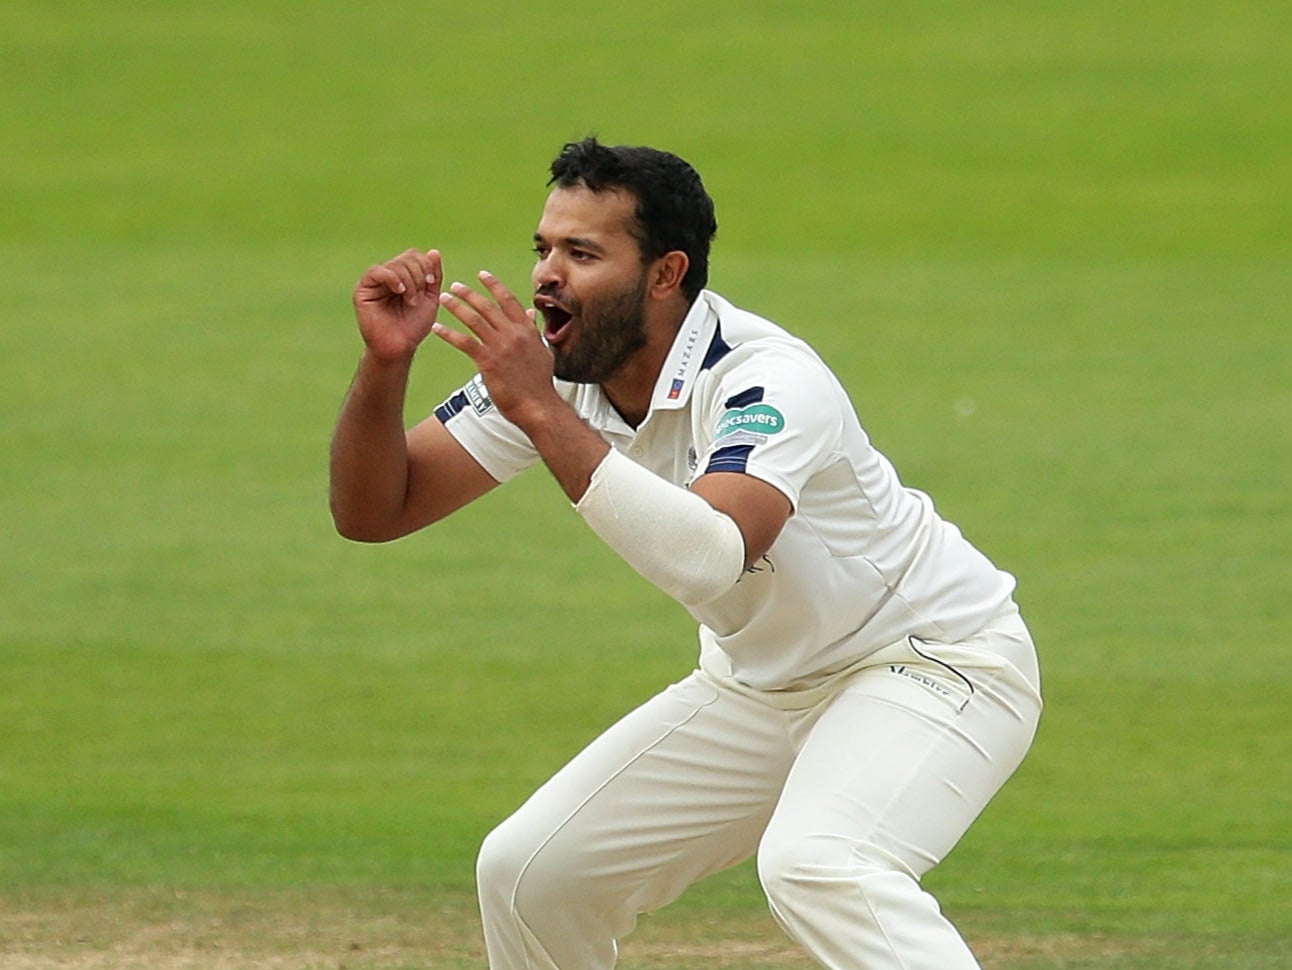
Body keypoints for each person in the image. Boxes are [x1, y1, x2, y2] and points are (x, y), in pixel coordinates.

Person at [329, 136, 1042, 970]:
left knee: (821, 865)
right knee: (531, 874)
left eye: (583, 253)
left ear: (665, 274)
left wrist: (538, 411)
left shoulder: (766, 379)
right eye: (544, 249)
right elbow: (376, 511)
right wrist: (387, 365)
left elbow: (715, 554)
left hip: (933, 661)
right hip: (759, 686)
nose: (547, 275)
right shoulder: (556, 373)